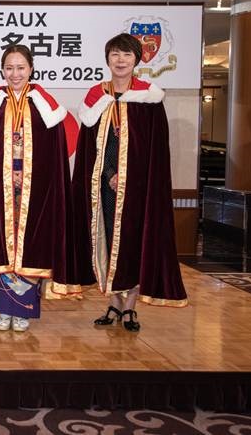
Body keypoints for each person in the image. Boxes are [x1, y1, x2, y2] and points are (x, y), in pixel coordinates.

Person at [0, 45, 90, 332]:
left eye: (20, 67)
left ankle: (22, 310)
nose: (15, 74)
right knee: (1, 243)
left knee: (30, 245)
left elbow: (53, 156)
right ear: (2, 70)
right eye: (9, 68)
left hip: (35, 191)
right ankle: (2, 309)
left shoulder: (45, 106)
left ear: (31, 69)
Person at [73, 33, 188, 332]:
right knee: (107, 239)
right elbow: (89, 149)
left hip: (138, 189)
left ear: (137, 59)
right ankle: (113, 302)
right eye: (115, 54)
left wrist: (130, 176)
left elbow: (155, 150)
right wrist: (110, 173)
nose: (120, 60)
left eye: (126, 55)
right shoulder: (96, 97)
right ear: (107, 59)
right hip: (104, 186)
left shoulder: (148, 98)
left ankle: (130, 308)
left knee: (134, 243)